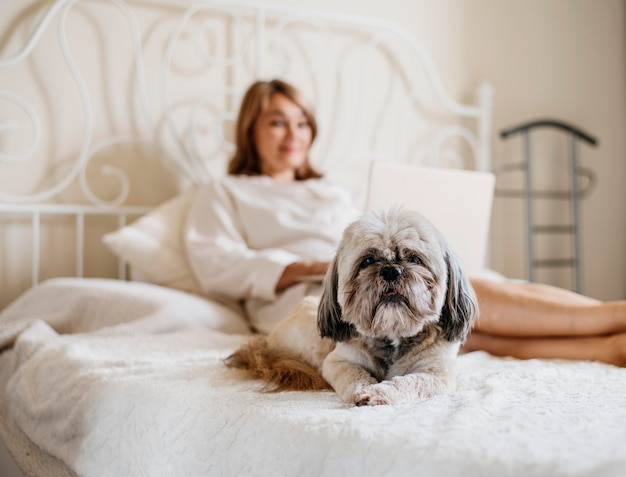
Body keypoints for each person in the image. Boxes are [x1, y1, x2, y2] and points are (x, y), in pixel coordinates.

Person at [184, 78, 626, 367]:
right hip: (322, 291)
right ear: (249, 129)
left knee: (473, 303)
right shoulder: (225, 192)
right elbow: (215, 263)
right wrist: (311, 266)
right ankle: (612, 320)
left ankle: (609, 345)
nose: (293, 134)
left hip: (388, 273)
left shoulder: (332, 191)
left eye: (302, 122)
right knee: (475, 303)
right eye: (277, 122)